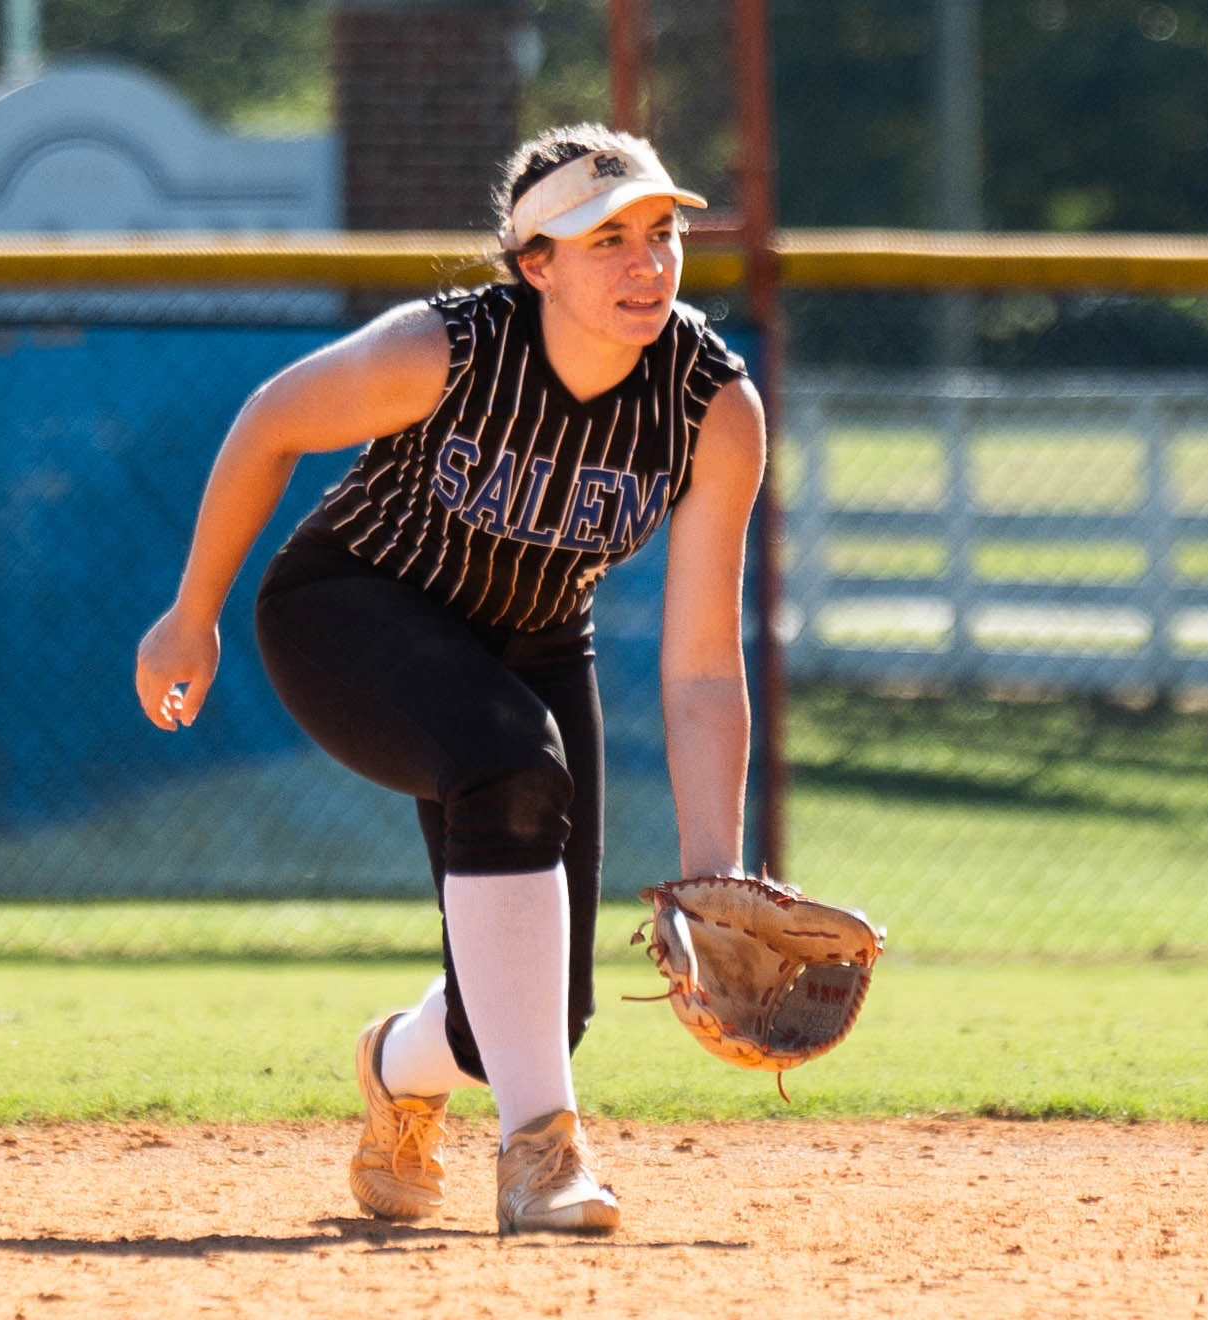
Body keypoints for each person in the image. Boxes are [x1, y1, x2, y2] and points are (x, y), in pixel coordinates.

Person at [134, 123, 766, 1236]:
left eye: (661, 232)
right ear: (537, 264)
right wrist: (192, 616)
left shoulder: (712, 404)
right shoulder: (449, 348)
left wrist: (713, 870)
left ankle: (398, 1065)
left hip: (529, 644)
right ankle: (541, 1158)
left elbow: (706, 665)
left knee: (526, 1020)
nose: (645, 262)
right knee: (514, 764)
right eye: (605, 238)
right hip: (351, 609)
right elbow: (271, 419)